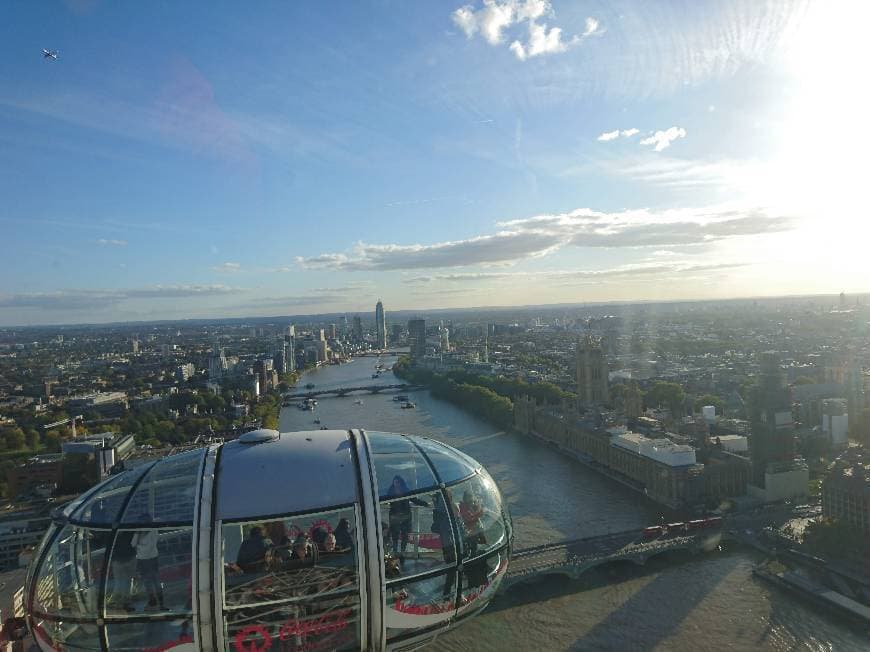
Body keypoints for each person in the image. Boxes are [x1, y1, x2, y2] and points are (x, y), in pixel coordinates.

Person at [386, 475, 429, 560]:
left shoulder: (404, 491)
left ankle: (402, 552)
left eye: (397, 482)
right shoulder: (390, 491)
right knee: (395, 535)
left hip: (404, 517)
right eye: (395, 482)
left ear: (401, 483)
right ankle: (395, 552)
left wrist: (425, 503)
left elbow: (414, 500)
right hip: (395, 517)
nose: (396, 484)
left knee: (405, 535)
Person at [131, 516, 165, 611]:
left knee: (147, 581)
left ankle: (152, 601)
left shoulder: (139, 532)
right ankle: (161, 602)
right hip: (153, 558)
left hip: (143, 560)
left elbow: (133, 544)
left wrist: (137, 532)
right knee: (156, 580)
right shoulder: (154, 529)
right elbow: (159, 520)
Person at [108, 530, 136, 611]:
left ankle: (115, 602)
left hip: (118, 560)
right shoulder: (129, 531)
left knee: (118, 582)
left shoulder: (113, 533)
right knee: (128, 581)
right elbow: (134, 543)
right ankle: (125, 603)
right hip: (130, 558)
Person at [459, 489, 485, 558]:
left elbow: (481, 513)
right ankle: (472, 557)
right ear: (465, 498)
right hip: (469, 530)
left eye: (472, 497)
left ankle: (475, 553)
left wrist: (478, 507)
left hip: (475, 529)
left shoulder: (473, 505)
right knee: (472, 543)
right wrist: (478, 513)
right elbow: (468, 518)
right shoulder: (463, 507)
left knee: (475, 543)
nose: (471, 499)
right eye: (469, 497)